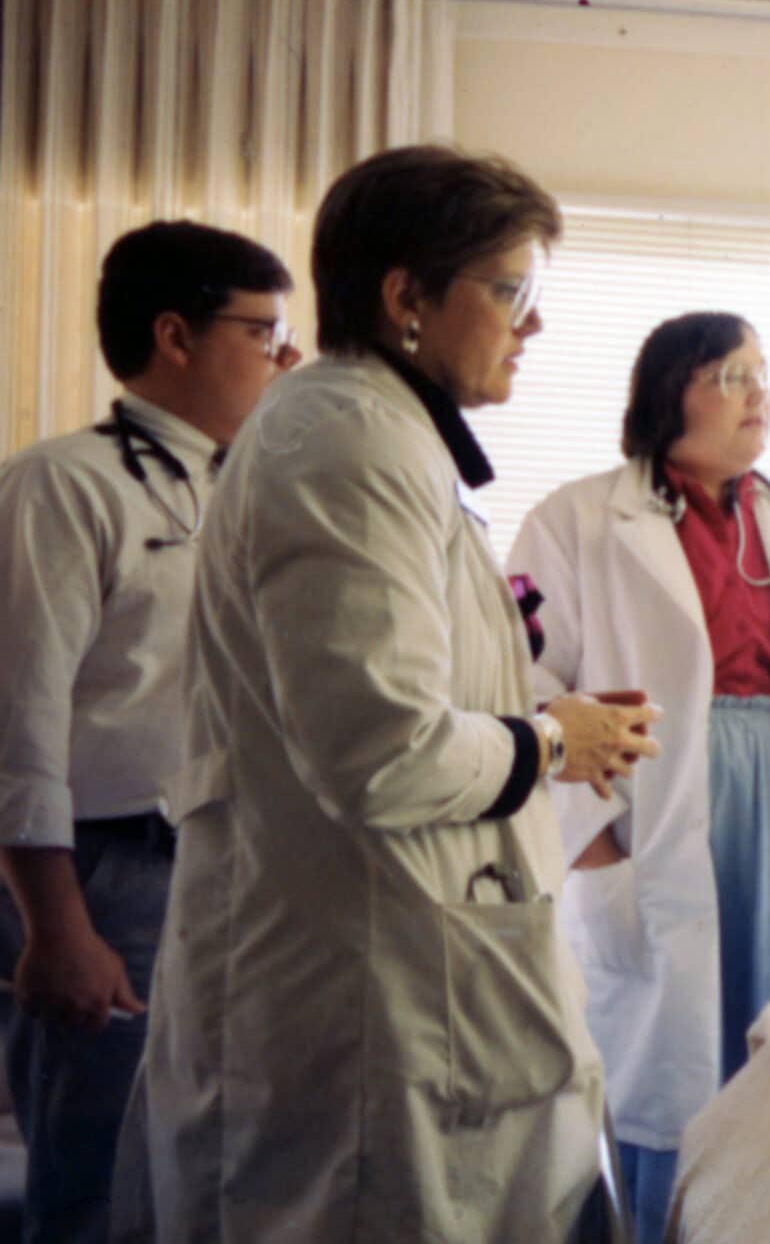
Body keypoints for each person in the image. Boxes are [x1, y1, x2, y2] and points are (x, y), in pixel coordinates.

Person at [114, 146, 660, 1241]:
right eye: (511, 292)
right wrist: (553, 737)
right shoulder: (345, 436)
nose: (532, 324)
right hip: (365, 1003)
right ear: (407, 296)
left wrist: (549, 728)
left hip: (413, 973)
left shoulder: (383, 433)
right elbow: (382, 750)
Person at [508, 310, 770, 1244]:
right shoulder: (574, 522)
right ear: (667, 393)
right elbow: (529, 692)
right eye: (731, 375)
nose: (758, 392)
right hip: (652, 818)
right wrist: (594, 844)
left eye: (764, 374)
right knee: (671, 1090)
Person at [0, 221, 297, 1244]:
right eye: (265, 330)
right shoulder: (62, 484)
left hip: (232, 870)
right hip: (104, 874)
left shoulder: (250, 488)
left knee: (209, 1173)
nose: (287, 356)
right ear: (175, 336)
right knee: (95, 1181)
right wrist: (55, 926)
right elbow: (19, 716)